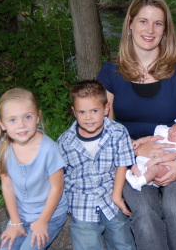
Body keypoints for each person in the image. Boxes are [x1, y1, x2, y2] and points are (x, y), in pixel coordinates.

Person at [98, 0, 176, 250]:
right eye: (143, 21)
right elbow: (103, 125)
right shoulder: (111, 70)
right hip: (129, 155)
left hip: (175, 154)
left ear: (166, 29)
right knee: (143, 212)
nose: (150, 30)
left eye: (158, 23)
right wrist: (136, 148)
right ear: (130, 23)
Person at [57, 80, 136, 250]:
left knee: (123, 242)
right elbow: (61, 175)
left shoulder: (117, 132)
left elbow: (122, 164)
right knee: (86, 245)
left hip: (110, 197)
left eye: (94, 110)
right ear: (74, 112)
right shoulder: (65, 141)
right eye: (82, 112)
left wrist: (116, 196)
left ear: (106, 108)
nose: (88, 117)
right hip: (81, 202)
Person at [0, 88, 67, 250]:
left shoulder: (48, 149)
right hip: (22, 213)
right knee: (6, 248)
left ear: (37, 116)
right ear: (2, 124)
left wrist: (43, 221)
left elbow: (57, 188)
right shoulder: (2, 148)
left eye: (27, 117)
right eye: (12, 120)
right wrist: (15, 222)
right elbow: (7, 185)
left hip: (50, 214)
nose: (21, 125)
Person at [126, 116, 176, 191]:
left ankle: (138, 183)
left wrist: (159, 159)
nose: (173, 133)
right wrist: (139, 141)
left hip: (164, 167)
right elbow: (150, 138)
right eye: (174, 128)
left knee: (154, 169)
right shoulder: (164, 132)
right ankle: (144, 179)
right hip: (148, 160)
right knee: (134, 167)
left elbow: (174, 155)